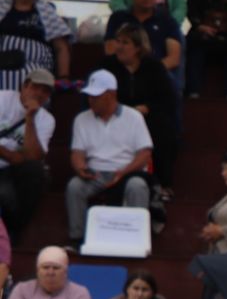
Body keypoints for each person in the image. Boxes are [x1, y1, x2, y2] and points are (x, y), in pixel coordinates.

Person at [66, 69, 153, 249]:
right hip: (95, 173)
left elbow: (144, 153)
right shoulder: (82, 119)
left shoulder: (133, 117)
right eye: (90, 96)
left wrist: (124, 172)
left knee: (137, 186)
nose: (91, 100)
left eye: (96, 96)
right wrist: (81, 167)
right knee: (75, 186)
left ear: (111, 95)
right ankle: (78, 239)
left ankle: (137, 241)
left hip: (127, 171)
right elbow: (77, 153)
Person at [104, 24, 179, 198]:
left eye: (126, 42)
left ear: (138, 47)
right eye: (118, 41)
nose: (120, 47)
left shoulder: (154, 67)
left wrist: (146, 108)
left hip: (146, 115)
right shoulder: (108, 66)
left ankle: (163, 183)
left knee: (162, 127)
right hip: (115, 114)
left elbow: (167, 99)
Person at [0, 65, 54, 242]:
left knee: (35, 171)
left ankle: (14, 232)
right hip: (9, 162)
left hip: (11, 171)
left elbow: (33, 157)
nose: (39, 93)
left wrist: (30, 118)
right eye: (35, 87)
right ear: (24, 86)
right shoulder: (3, 98)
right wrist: (12, 155)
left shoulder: (46, 119)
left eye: (45, 91)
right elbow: (19, 156)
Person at [0, 0, 72, 93]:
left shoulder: (47, 13)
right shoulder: (3, 9)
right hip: (4, 63)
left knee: (33, 80)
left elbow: (61, 48)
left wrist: (63, 77)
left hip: (37, 67)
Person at [107, 0, 184, 81]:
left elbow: (173, 58)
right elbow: (110, 50)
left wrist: (148, 71)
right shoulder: (118, 18)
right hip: (122, 70)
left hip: (155, 73)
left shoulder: (167, 21)